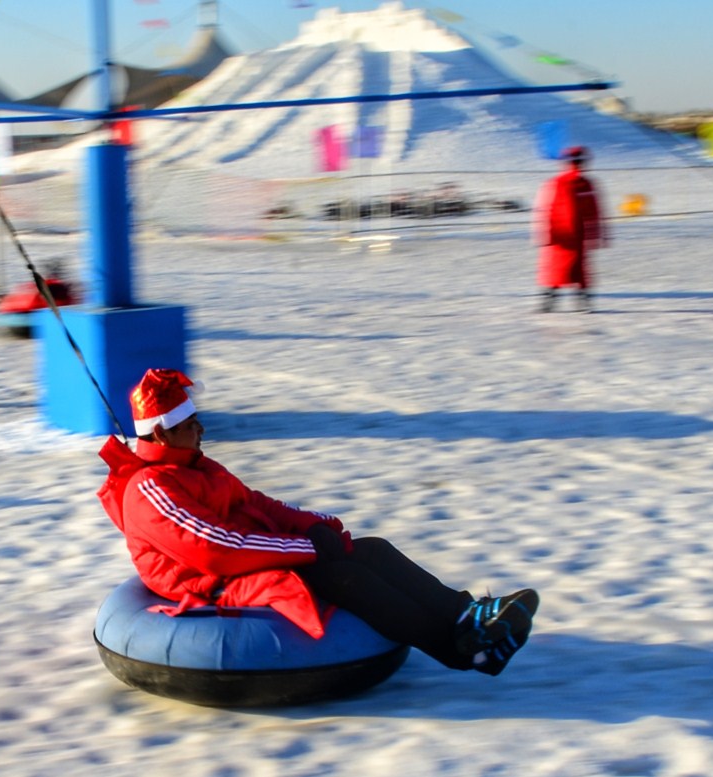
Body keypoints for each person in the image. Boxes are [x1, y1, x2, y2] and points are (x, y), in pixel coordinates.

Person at [97, 368, 540, 676]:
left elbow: (254, 502)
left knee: (371, 549)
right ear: (160, 433)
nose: (202, 431)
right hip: (210, 580)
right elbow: (215, 547)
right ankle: (464, 653)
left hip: (247, 556)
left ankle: (467, 614)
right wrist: (305, 548)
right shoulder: (149, 488)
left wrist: (313, 525)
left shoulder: (195, 466)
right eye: (190, 424)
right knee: (344, 577)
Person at [533, 145, 609, 312]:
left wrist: (543, 234)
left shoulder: (562, 183)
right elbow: (545, 209)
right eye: (577, 162)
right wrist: (597, 235)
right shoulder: (573, 184)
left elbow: (543, 209)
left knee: (563, 270)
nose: (578, 165)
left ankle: (554, 302)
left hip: (565, 236)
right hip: (562, 236)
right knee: (569, 270)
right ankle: (571, 302)